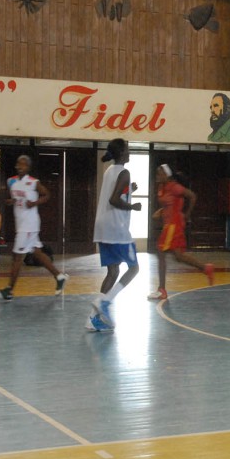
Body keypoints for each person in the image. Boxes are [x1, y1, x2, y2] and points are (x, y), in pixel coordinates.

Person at [0, 155, 68, 301]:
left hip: (29, 224)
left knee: (17, 257)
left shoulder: (34, 182)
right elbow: (13, 199)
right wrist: (10, 201)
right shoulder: (11, 181)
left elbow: (47, 194)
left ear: (28, 167)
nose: (20, 166)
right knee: (37, 253)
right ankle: (59, 276)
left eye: (24, 164)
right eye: (18, 164)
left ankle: (9, 290)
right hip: (21, 224)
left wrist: (35, 203)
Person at [88, 138, 141, 331]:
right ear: (121, 153)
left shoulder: (110, 171)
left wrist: (130, 191)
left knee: (113, 271)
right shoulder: (124, 172)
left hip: (102, 227)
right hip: (116, 228)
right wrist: (133, 206)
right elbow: (113, 200)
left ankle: (92, 319)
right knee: (134, 269)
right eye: (127, 149)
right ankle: (105, 302)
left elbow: (117, 193)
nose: (129, 151)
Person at [148, 164, 215, 301]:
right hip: (169, 224)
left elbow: (192, 196)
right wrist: (160, 212)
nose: (157, 176)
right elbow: (169, 204)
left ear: (167, 175)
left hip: (173, 225)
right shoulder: (161, 188)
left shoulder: (174, 187)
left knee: (160, 252)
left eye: (160, 173)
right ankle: (206, 268)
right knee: (178, 256)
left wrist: (187, 214)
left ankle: (162, 290)